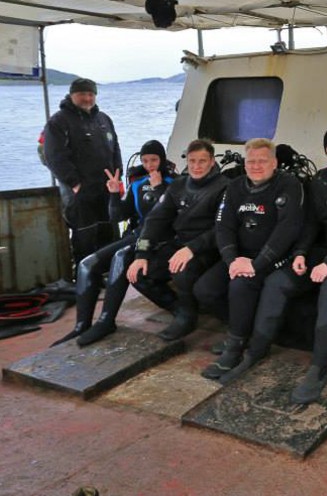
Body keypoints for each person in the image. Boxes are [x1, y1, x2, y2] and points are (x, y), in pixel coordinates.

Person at [219, 125, 327, 401]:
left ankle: (318, 369)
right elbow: (309, 224)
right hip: (318, 252)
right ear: (326, 150)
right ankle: (255, 352)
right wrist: (300, 253)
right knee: (276, 282)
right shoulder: (318, 181)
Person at [194, 138, 304, 380]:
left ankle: (235, 348)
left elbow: (287, 230)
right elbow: (223, 227)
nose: (255, 166)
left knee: (241, 285)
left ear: (274, 163)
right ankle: (240, 332)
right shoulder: (235, 188)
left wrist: (257, 264)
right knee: (205, 289)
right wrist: (232, 260)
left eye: (262, 161)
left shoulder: (288, 185)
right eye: (251, 161)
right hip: (239, 258)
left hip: (273, 257)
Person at [51, 140, 177, 346]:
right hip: (137, 233)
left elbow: (170, 215)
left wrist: (160, 187)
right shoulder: (137, 184)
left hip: (161, 237)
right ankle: (81, 325)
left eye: (154, 160)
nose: (150, 165)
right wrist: (113, 193)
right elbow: (117, 216)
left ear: (162, 159)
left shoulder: (175, 183)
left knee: (120, 258)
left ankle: (106, 320)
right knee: (86, 265)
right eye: (145, 160)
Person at [126, 139, 229, 341]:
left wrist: (192, 248)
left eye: (202, 161)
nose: (197, 166)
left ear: (211, 162)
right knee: (138, 273)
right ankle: (180, 308)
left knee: (182, 270)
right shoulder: (179, 186)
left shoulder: (225, 187)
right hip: (180, 244)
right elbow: (155, 220)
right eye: (192, 161)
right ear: (187, 162)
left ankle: (188, 318)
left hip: (210, 248)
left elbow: (223, 228)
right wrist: (142, 253)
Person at [43, 78, 122, 276]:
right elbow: (54, 157)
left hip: (106, 187)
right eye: (82, 94)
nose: (87, 98)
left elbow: (115, 148)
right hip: (79, 190)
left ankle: (108, 273)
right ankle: (85, 277)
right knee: (85, 234)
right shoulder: (58, 121)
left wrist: (118, 176)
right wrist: (74, 183)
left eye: (91, 94)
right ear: (72, 95)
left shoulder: (104, 119)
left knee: (109, 230)